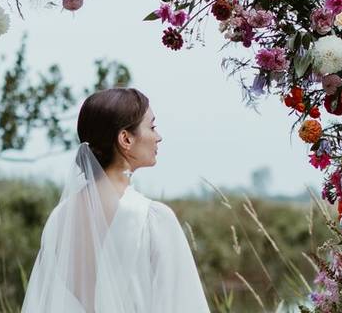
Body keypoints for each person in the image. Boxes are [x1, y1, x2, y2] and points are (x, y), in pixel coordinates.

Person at [21, 87, 211, 313]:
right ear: (126, 139)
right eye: (151, 127)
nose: (158, 137)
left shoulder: (60, 218)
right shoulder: (153, 220)